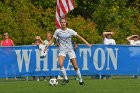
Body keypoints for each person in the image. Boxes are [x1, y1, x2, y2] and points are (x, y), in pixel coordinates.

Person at [44, 18, 91, 85]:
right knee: (60, 64)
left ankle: (81, 80)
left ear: (66, 23)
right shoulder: (57, 31)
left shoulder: (70, 31)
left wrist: (87, 43)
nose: (63, 23)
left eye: (64, 22)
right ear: (60, 23)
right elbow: (52, 40)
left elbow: (79, 37)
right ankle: (66, 79)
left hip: (70, 50)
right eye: (62, 22)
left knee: (75, 67)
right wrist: (47, 46)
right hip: (62, 50)